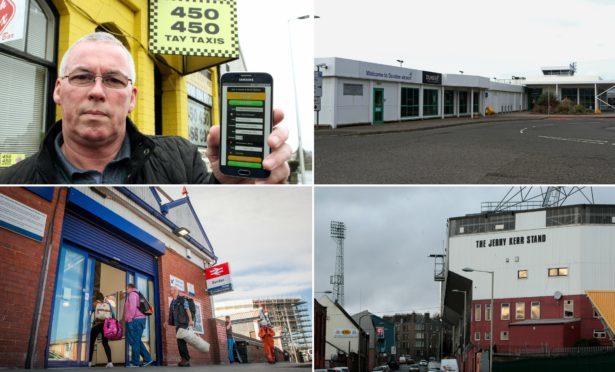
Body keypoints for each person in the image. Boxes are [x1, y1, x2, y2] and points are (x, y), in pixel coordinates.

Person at [0, 32, 291, 184]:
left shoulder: (181, 159)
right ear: (58, 90)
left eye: (113, 80)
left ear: (132, 98)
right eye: (82, 77)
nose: (97, 91)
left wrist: (232, 186)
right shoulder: (10, 181)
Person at [123, 284, 153, 368]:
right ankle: (147, 358)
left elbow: (132, 308)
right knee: (136, 340)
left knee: (135, 341)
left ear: (130, 288)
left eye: (127, 289)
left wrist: (129, 319)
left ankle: (135, 363)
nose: (126, 290)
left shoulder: (132, 295)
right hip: (139, 320)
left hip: (135, 320)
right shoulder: (138, 294)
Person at [168, 287, 193, 367]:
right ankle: (184, 359)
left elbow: (187, 309)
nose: (170, 291)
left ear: (175, 291)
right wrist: (167, 321)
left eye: (171, 290)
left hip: (183, 322)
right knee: (180, 341)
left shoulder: (182, 299)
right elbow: (171, 313)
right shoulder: (172, 302)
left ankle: (185, 359)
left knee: (181, 341)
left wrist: (190, 320)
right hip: (177, 323)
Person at [89, 292, 113, 368]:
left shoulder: (95, 304)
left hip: (97, 324)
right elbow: (113, 315)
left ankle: (89, 362)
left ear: (96, 298)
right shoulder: (107, 305)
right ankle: (110, 362)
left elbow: (90, 313)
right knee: (105, 343)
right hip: (105, 325)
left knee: (91, 342)